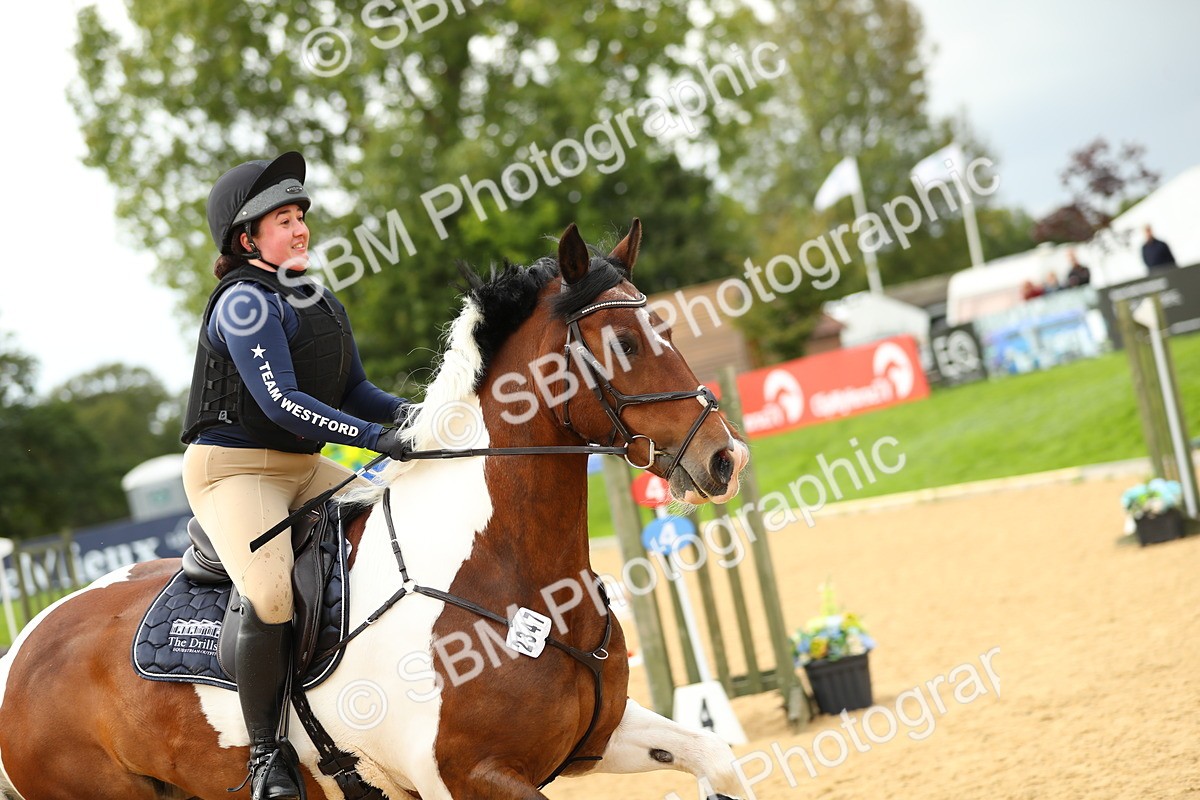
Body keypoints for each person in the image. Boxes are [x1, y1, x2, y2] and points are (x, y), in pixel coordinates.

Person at [181, 152, 412, 800]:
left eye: (300, 216)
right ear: (247, 240)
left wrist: (418, 418)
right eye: (283, 220)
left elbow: (358, 391)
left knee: (395, 524)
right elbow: (281, 401)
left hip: (302, 467)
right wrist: (375, 440)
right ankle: (266, 756)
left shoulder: (315, 298)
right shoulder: (244, 305)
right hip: (235, 473)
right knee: (272, 594)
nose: (301, 228)